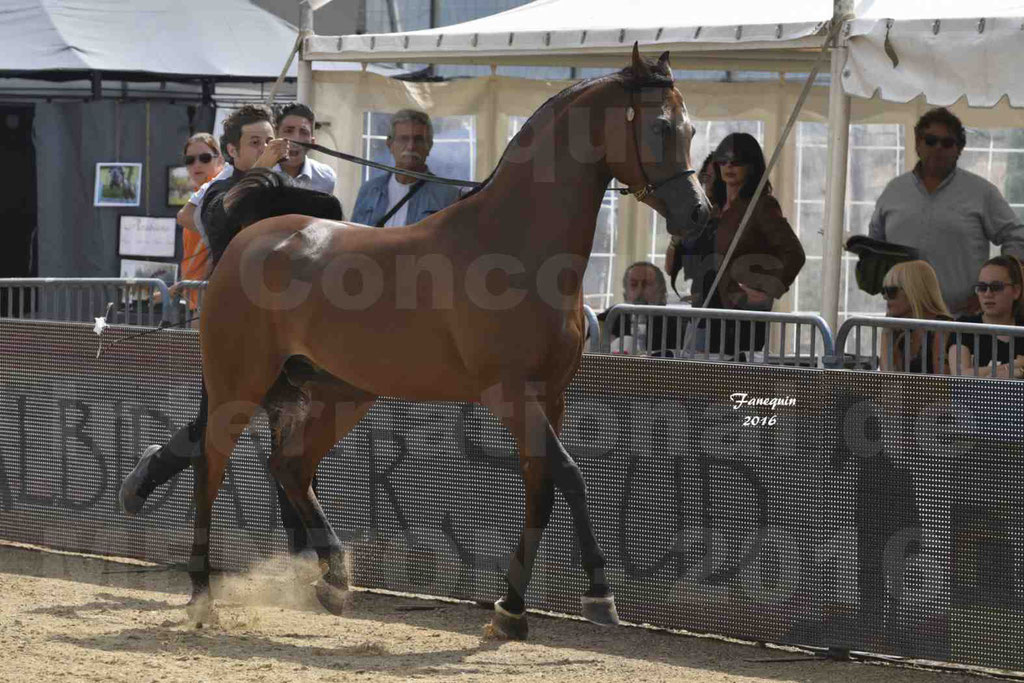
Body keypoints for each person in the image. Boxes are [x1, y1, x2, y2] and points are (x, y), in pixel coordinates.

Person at [869, 107, 1024, 316]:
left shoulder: (981, 193)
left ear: (959, 149)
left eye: (947, 142)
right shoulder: (893, 191)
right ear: (917, 143)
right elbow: (874, 247)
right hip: (904, 321)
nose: (938, 148)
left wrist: (994, 289)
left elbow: (1016, 236)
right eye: (931, 140)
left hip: (960, 322)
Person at [695, 133, 805, 355]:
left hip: (740, 309)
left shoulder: (761, 205)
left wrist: (768, 289)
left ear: (751, 165)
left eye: (737, 161)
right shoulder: (714, 208)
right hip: (705, 306)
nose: (729, 166)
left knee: (733, 379)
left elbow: (794, 253)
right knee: (702, 379)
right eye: (723, 160)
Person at [350, 109, 460, 228]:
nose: (411, 146)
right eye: (404, 139)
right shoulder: (369, 191)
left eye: (418, 140)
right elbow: (354, 239)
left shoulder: (448, 197)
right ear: (390, 145)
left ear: (429, 146)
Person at [947, 255, 1024, 378]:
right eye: (982, 287)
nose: (988, 294)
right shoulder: (965, 327)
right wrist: (1014, 366)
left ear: (1016, 291)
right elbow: (961, 375)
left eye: (996, 287)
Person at [175, 133, 224, 315]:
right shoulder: (197, 196)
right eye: (190, 159)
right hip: (195, 293)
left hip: (212, 293)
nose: (197, 164)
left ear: (219, 158)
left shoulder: (219, 192)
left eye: (204, 158)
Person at [878, 260, 952, 374]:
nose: (885, 297)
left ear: (913, 291)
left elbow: (941, 385)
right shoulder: (899, 330)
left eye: (891, 291)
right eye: (883, 291)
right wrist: (886, 333)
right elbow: (889, 383)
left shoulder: (941, 327)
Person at [273, 103, 338, 196]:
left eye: (304, 132)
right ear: (275, 136)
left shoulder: (326, 178)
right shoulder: (261, 175)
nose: (295, 139)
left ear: (312, 141)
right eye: (288, 131)